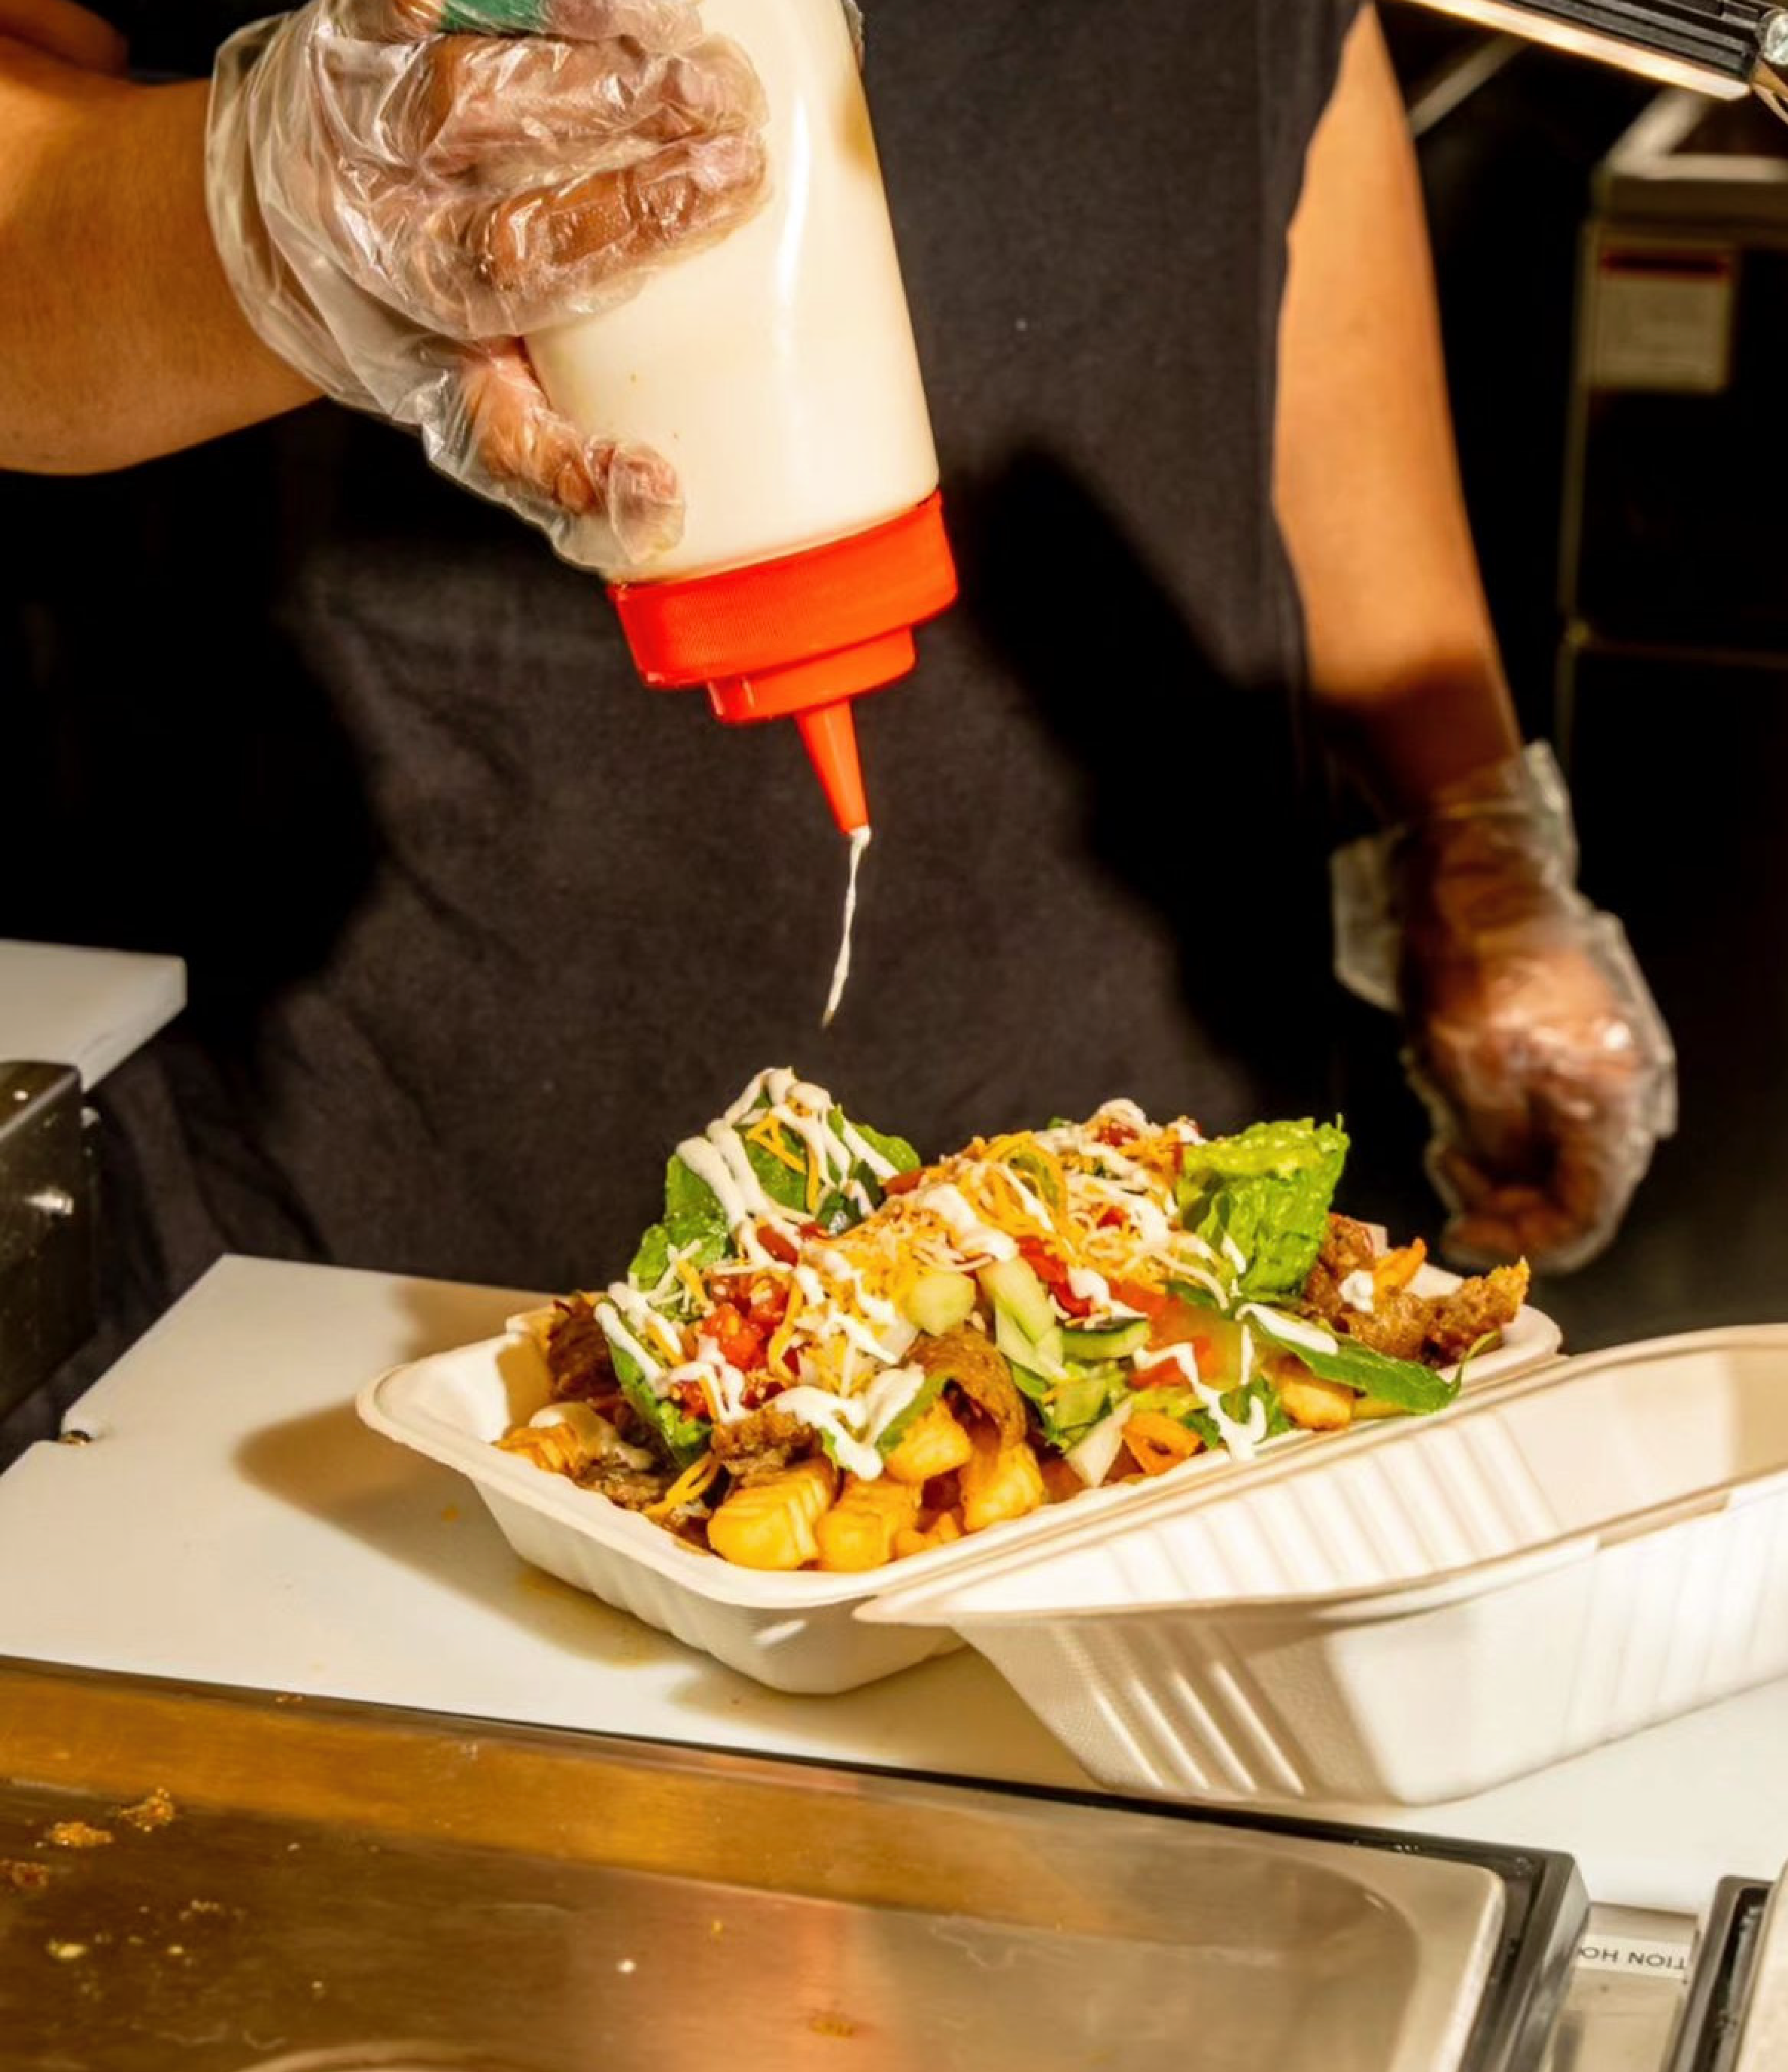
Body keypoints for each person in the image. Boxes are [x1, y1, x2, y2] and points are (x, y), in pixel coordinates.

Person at [0, 0, 1673, 1391]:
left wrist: (1465, 821)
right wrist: (272, 210)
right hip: (387, 1168)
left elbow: (1285, 91)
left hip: (1144, 1100)